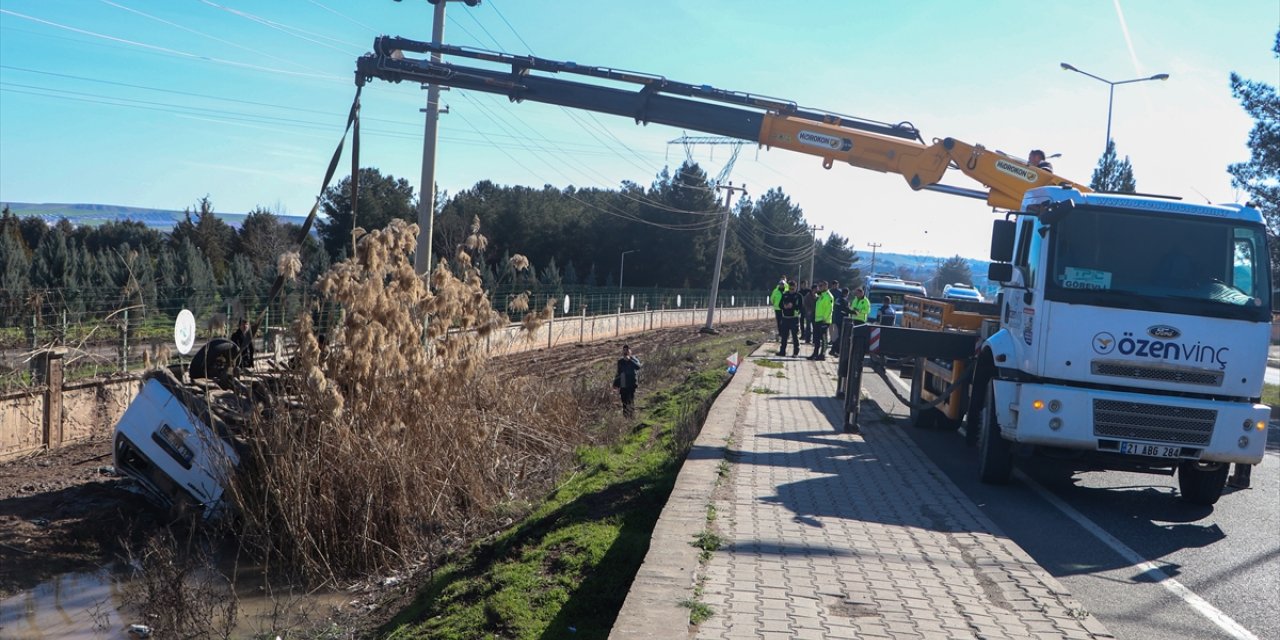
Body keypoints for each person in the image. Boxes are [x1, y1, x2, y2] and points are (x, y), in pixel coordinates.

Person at [613, 344, 642, 417]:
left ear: (630, 351)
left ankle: (631, 416)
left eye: (627, 350)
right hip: (623, 384)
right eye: (624, 350)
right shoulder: (620, 361)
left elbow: (638, 367)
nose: (625, 352)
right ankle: (625, 417)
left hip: (631, 383)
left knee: (630, 400)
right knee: (624, 401)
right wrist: (615, 384)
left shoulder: (634, 359)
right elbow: (618, 373)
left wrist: (630, 360)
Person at [809, 281, 834, 360]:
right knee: (816, 338)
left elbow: (829, 309)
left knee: (823, 338)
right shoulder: (821, 295)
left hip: (824, 321)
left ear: (826, 286)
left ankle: (822, 354)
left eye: (821, 286)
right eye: (819, 286)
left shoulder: (828, 296)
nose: (819, 287)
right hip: (817, 319)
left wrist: (825, 319)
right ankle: (815, 354)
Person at [777, 280, 802, 357]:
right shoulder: (785, 295)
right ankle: (782, 351)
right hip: (785, 318)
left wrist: (792, 306)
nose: (791, 290)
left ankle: (795, 352)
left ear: (796, 288)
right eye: (790, 289)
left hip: (794, 318)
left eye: (793, 289)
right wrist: (784, 306)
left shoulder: (798, 296)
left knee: (795, 336)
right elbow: (780, 305)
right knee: (784, 336)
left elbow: (800, 307)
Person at [829, 287, 849, 356]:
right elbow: (846, 309)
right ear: (847, 293)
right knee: (840, 336)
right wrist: (854, 312)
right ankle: (835, 350)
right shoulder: (844, 300)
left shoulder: (838, 299)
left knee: (837, 335)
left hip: (836, 319)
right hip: (841, 320)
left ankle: (834, 350)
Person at [770, 277, 789, 343]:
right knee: (779, 322)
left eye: (783, 284)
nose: (781, 285)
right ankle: (781, 333)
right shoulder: (775, 291)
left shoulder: (786, 290)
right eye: (781, 284)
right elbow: (772, 298)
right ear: (779, 284)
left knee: (785, 321)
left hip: (785, 309)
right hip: (777, 308)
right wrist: (774, 303)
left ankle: (785, 333)